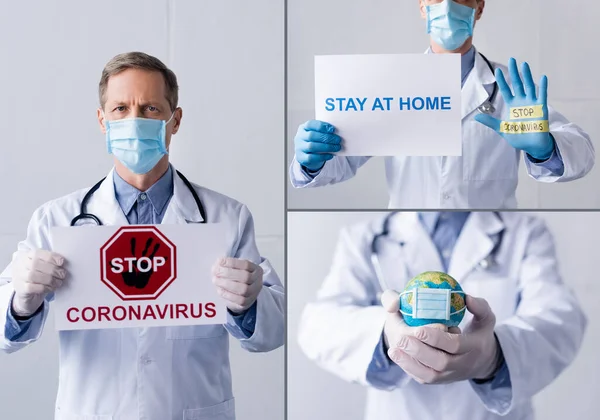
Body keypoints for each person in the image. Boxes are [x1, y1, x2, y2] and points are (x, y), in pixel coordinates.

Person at [0, 52, 284, 420]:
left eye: (150, 108)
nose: (134, 121)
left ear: (175, 120)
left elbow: (272, 333)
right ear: (102, 121)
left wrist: (249, 304)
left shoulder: (225, 217)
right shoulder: (58, 219)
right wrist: (21, 302)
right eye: (120, 109)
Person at [290, 0, 595, 208]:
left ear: (479, 8)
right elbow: (341, 161)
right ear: (422, 7)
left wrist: (546, 150)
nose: (448, 7)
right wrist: (311, 159)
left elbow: (582, 151)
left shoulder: (510, 88)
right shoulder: (387, 84)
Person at [297, 212, 586, 420]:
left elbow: (561, 318)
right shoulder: (364, 238)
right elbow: (317, 326)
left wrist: (494, 355)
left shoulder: (525, 233)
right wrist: (386, 337)